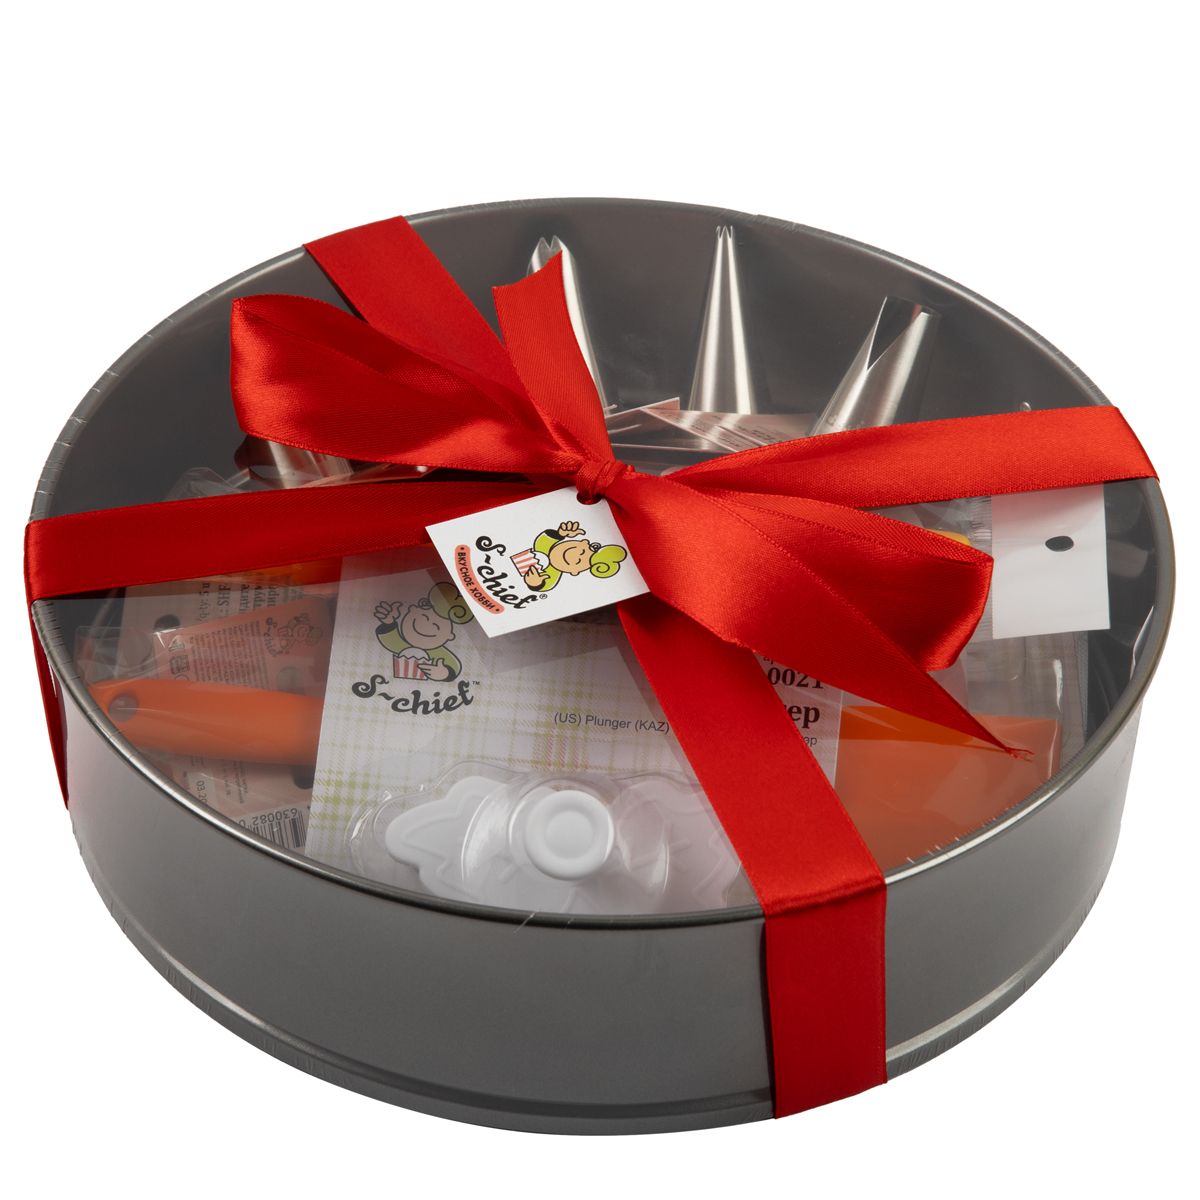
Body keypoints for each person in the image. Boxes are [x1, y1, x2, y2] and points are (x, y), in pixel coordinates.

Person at [373, 582, 472, 681]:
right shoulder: (404, 646)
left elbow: (453, 665)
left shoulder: (439, 653)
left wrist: (445, 673)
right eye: (424, 617)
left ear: (450, 636)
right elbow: (390, 641)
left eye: (436, 626)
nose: (429, 625)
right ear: (412, 609)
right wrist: (389, 623)